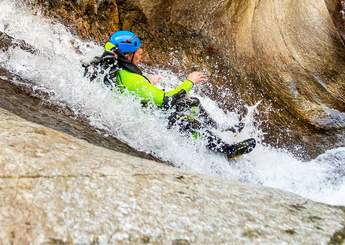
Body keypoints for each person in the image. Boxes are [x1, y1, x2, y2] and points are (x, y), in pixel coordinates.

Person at [83, 30, 256, 160]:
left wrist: (148, 86)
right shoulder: (132, 79)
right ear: (127, 56)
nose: (141, 53)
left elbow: (125, 90)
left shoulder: (114, 63)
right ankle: (227, 151)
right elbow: (166, 101)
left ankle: (224, 129)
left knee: (192, 103)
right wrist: (190, 82)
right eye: (138, 52)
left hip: (138, 108)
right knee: (186, 122)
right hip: (147, 120)